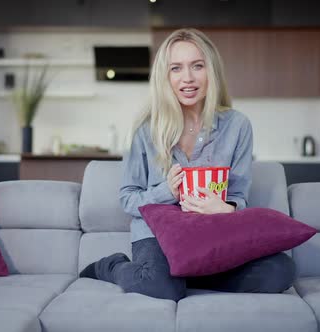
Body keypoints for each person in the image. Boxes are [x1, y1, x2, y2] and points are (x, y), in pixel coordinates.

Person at [80, 28, 295, 301]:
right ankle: (111, 266)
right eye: (176, 68)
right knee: (161, 288)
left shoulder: (237, 126)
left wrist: (225, 208)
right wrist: (166, 192)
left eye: (197, 66)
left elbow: (238, 195)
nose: (188, 78)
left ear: (211, 71)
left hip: (212, 234)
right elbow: (128, 199)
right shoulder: (145, 130)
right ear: (165, 76)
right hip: (158, 237)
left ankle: (185, 275)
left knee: (280, 270)